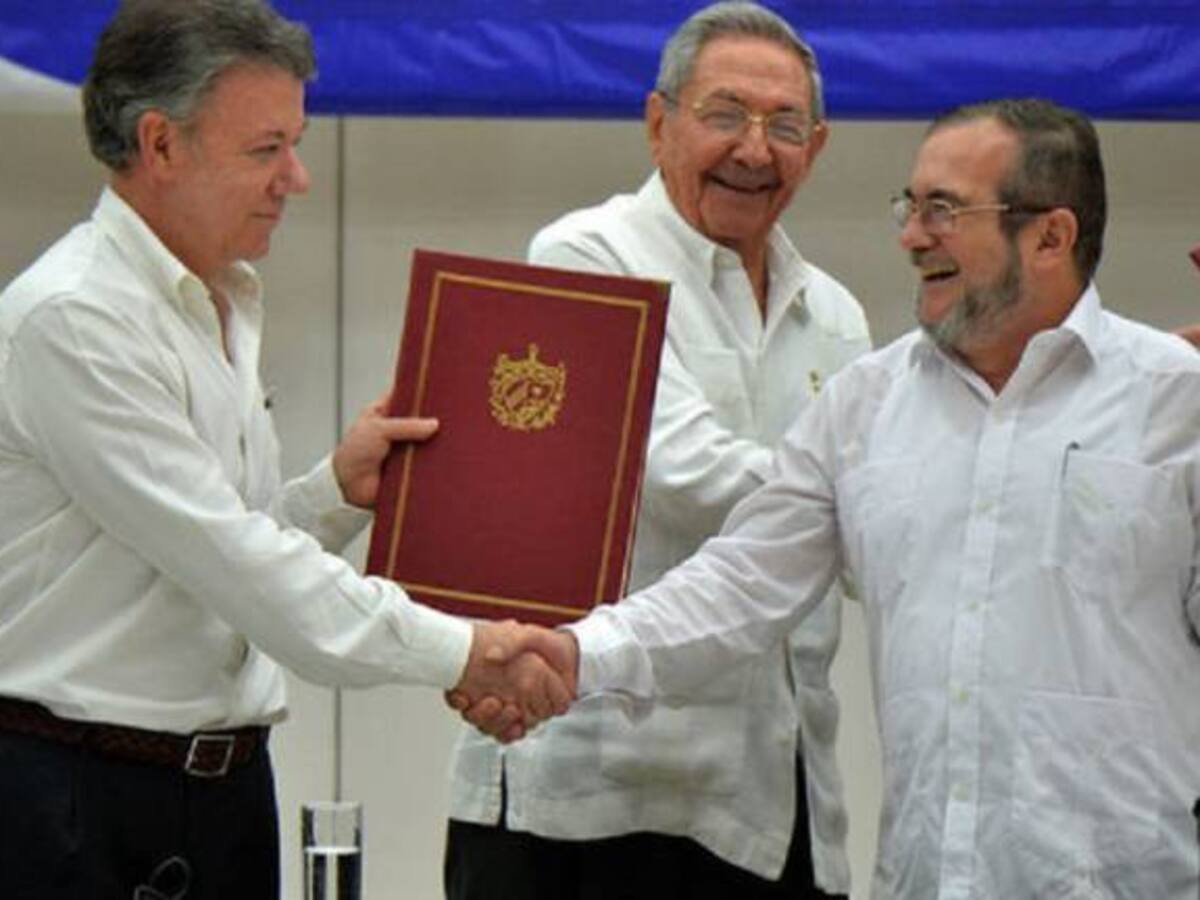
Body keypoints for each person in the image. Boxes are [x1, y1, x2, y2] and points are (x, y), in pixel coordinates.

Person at [477, 97, 1200, 897]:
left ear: (1051, 236)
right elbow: (740, 583)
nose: (911, 235)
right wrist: (576, 654)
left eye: (943, 209)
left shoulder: (1178, 403)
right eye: (910, 205)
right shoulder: (865, 405)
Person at [0, 2, 569, 898]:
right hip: (80, 805)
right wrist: (468, 651)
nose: (297, 178)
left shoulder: (220, 294)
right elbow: (237, 566)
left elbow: (207, 562)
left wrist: (336, 494)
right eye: (266, 149)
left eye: (295, 144)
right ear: (160, 144)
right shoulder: (78, 317)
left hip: (219, 796)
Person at [444, 3, 868, 898]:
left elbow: (866, 544)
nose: (756, 150)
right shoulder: (586, 256)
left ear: (818, 146)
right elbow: (687, 478)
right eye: (725, 115)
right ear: (656, 122)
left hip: (774, 797)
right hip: (592, 790)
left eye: (784, 126)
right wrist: (870, 494)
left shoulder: (835, 313)